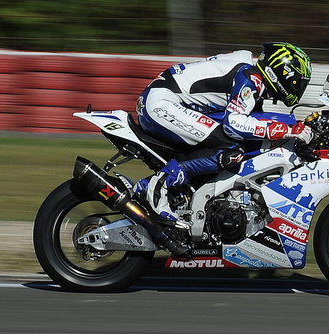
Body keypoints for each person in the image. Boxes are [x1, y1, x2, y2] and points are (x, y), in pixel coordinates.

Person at [130, 42, 316, 223]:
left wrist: (293, 126)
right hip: (162, 104)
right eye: (296, 81)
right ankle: (157, 187)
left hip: (166, 100)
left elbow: (251, 120)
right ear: (280, 72)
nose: (297, 87)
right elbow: (233, 123)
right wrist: (286, 130)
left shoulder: (250, 73)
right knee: (231, 150)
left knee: (236, 143)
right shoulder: (250, 78)